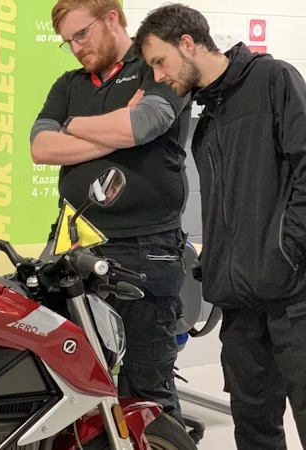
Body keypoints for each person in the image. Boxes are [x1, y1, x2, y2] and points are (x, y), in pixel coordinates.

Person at [135, 5, 306, 449]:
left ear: (188, 43)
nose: (159, 75)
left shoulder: (273, 79)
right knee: (253, 430)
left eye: (160, 62)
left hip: (294, 299)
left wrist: (286, 251)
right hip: (240, 304)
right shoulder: (207, 116)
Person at [31, 0, 191, 423]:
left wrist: (74, 125)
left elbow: (143, 125)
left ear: (111, 18)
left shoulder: (157, 64)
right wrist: (115, 132)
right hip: (76, 249)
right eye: (68, 41)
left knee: (147, 389)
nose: (76, 47)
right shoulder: (69, 83)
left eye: (81, 34)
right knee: (76, 385)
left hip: (144, 249)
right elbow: (41, 147)